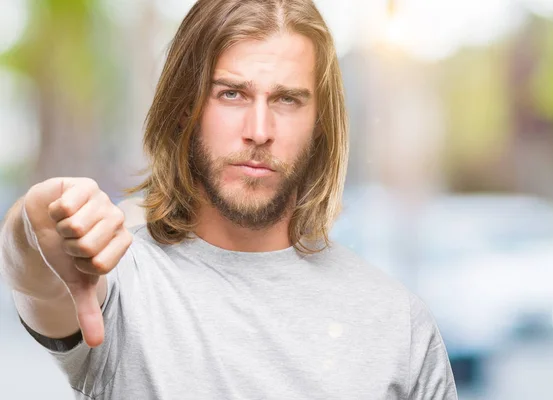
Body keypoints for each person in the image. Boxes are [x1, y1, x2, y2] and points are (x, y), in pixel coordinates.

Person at [0, 0, 458, 399]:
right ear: (186, 108)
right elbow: (33, 275)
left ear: (319, 123)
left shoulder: (399, 325)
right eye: (232, 94)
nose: (259, 131)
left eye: (287, 100)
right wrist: (38, 223)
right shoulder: (122, 285)